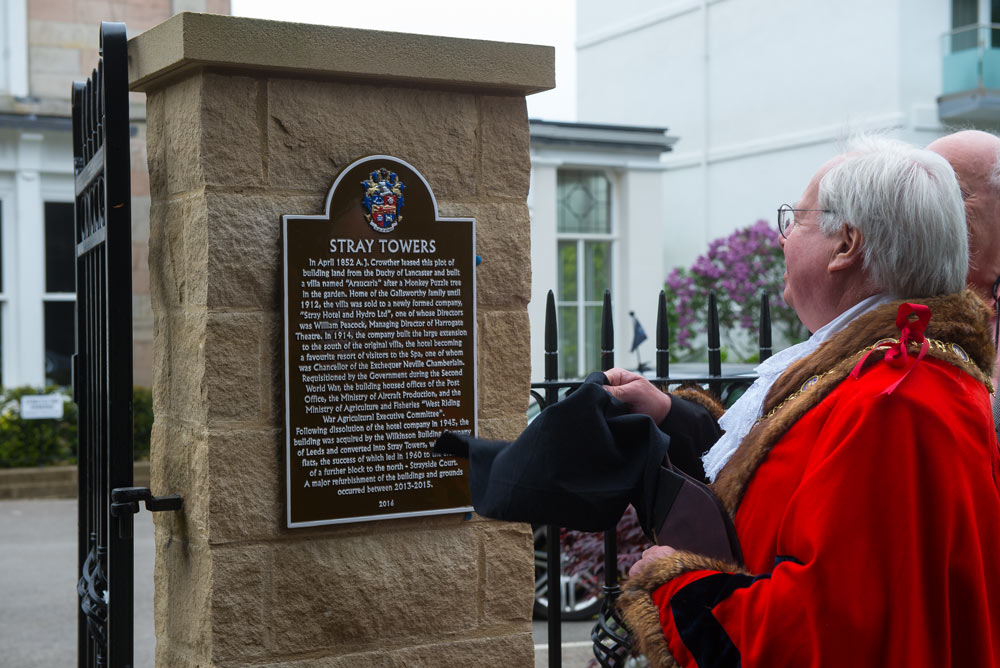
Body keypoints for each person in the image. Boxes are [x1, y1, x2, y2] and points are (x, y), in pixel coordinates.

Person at [606, 136, 1000, 667]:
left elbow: (821, 631)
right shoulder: (885, 375)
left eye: (797, 219)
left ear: (848, 246)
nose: (782, 238)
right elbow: (788, 469)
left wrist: (674, 581)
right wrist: (670, 416)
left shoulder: (892, 398)